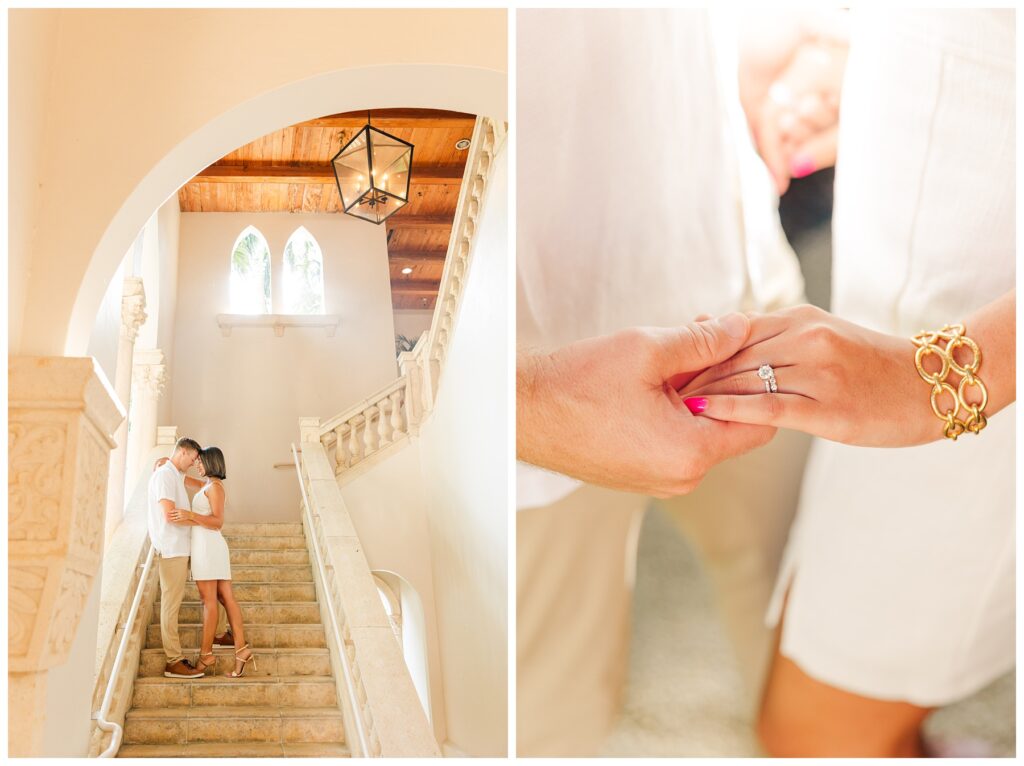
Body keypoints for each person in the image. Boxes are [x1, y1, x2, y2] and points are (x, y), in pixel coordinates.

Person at [686, 9, 1015, 756]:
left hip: (975, 357)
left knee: (823, 731)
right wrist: (855, 40)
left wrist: (954, 374)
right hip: (928, 218)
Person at [515, 8, 811, 755]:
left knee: (819, 636)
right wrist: (520, 405)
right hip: (535, 365)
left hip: (732, 256)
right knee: (547, 718)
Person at [165, 447, 255, 678]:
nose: (197, 464)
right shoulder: (207, 485)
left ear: (212, 463)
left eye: (201, 461)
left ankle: (206, 654)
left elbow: (218, 522)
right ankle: (241, 650)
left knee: (210, 602)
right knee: (226, 598)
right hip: (209, 547)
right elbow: (188, 479)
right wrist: (169, 464)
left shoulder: (215, 487)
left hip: (208, 547)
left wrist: (190, 515)